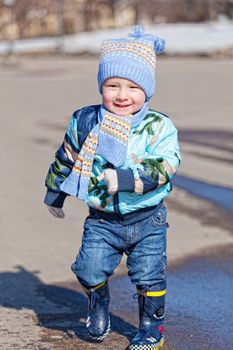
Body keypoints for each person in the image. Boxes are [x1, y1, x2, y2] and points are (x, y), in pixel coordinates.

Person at [44, 25, 181, 350]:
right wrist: (55, 192)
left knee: (149, 277)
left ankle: (151, 329)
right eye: (113, 85)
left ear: (147, 90)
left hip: (147, 219)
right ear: (101, 86)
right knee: (89, 269)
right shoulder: (87, 121)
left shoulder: (157, 127)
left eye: (133, 87)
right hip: (102, 219)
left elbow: (166, 165)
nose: (122, 94)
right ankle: (98, 301)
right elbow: (67, 156)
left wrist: (126, 179)